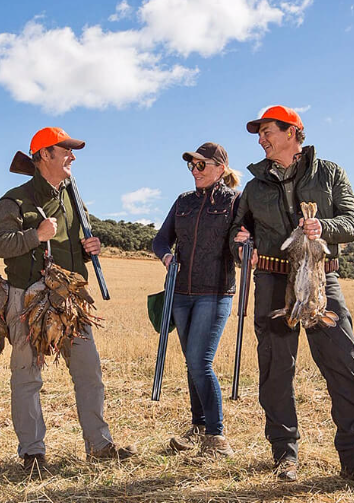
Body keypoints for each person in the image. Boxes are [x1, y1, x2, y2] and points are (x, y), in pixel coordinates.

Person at [230, 106, 354, 490]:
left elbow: (352, 222)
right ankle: (284, 456)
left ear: (293, 132)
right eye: (259, 133)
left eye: (267, 130)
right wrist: (241, 247)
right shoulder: (253, 187)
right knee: (275, 371)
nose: (261, 139)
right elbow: (238, 229)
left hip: (323, 280)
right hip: (271, 279)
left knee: (342, 365)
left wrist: (324, 227)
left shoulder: (330, 173)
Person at [0, 127, 136, 471]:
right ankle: (33, 454)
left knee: (89, 372)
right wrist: (35, 235)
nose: (72, 156)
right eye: (65, 150)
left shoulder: (72, 195)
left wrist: (88, 249)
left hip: (70, 299)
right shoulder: (15, 200)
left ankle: (99, 446)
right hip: (28, 298)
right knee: (27, 375)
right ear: (43, 156)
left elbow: (77, 240)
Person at [152, 142, 240, 457]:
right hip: (180, 293)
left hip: (214, 293)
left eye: (201, 165)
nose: (195, 170)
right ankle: (199, 428)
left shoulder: (236, 202)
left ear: (220, 168)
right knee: (192, 364)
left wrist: (244, 246)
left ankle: (217, 439)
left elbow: (239, 246)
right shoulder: (183, 202)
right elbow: (161, 239)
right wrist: (165, 257)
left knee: (200, 362)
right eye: (192, 165)